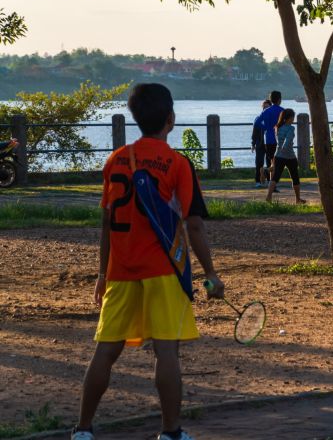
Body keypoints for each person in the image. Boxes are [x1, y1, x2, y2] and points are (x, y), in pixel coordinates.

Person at [72, 83, 224, 440]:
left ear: (135, 117)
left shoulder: (115, 160)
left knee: (105, 350)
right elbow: (195, 225)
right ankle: (171, 432)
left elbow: (107, 221)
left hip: (120, 271)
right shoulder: (177, 164)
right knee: (166, 351)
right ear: (170, 119)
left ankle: (82, 429)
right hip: (163, 271)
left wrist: (101, 273)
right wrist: (212, 273)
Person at [266, 108, 306, 205]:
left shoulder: (278, 127)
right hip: (290, 156)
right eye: (293, 117)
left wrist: (282, 149)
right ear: (289, 118)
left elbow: (281, 142)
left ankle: (268, 197)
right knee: (295, 177)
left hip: (278, 155)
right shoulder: (291, 128)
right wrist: (284, 147)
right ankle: (298, 199)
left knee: (275, 177)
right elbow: (288, 140)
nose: (293, 120)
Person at [257, 91, 284, 191]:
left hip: (267, 139)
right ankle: (266, 172)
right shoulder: (282, 111)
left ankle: (272, 185)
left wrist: (266, 128)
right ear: (279, 99)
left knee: (273, 161)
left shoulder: (266, 111)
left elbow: (257, 122)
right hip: (279, 139)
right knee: (276, 163)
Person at [251, 99, 272, 188]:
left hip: (270, 144)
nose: (265, 109)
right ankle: (258, 181)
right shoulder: (258, 119)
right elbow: (254, 132)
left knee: (269, 164)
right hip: (260, 144)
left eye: (267, 107)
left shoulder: (273, 119)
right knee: (259, 163)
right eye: (264, 107)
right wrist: (253, 144)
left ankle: (269, 181)